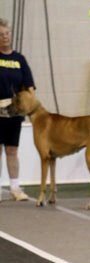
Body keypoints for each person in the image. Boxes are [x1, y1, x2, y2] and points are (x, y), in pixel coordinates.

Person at [0, 18, 35, 200]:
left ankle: (15, 188)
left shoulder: (19, 59)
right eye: (1, 35)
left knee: (12, 150)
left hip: (14, 113)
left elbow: (29, 86)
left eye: (7, 33)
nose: (5, 37)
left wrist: (30, 105)